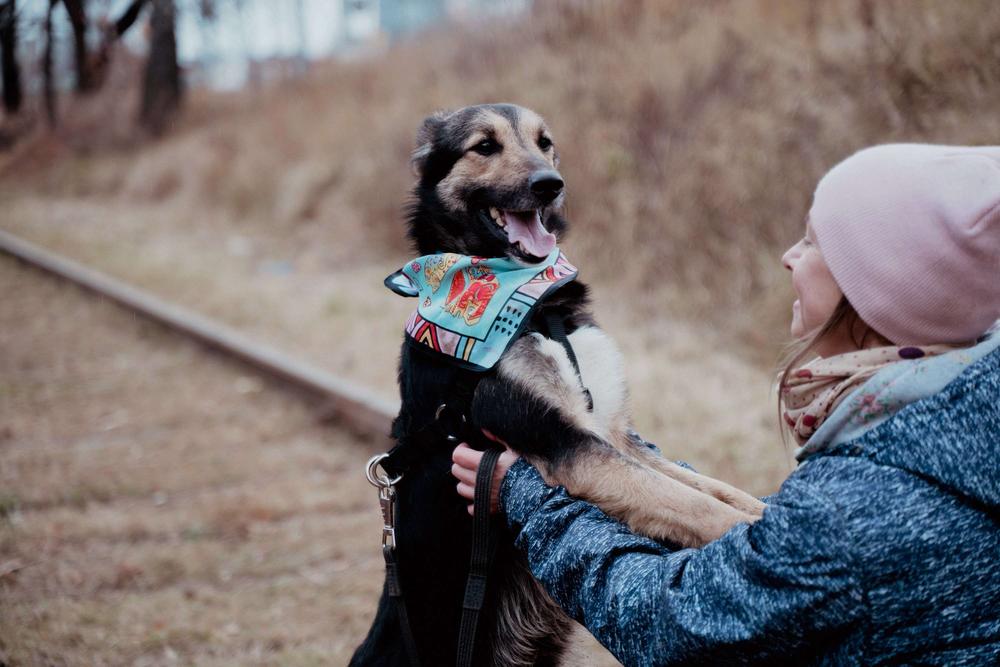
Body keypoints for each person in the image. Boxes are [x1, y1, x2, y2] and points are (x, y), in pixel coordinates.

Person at [450, 144, 1000, 665]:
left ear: (880, 290)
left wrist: (531, 500)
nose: (789, 257)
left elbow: (670, 624)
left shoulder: (848, 515)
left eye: (813, 243)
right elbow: (781, 548)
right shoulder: (960, 413)